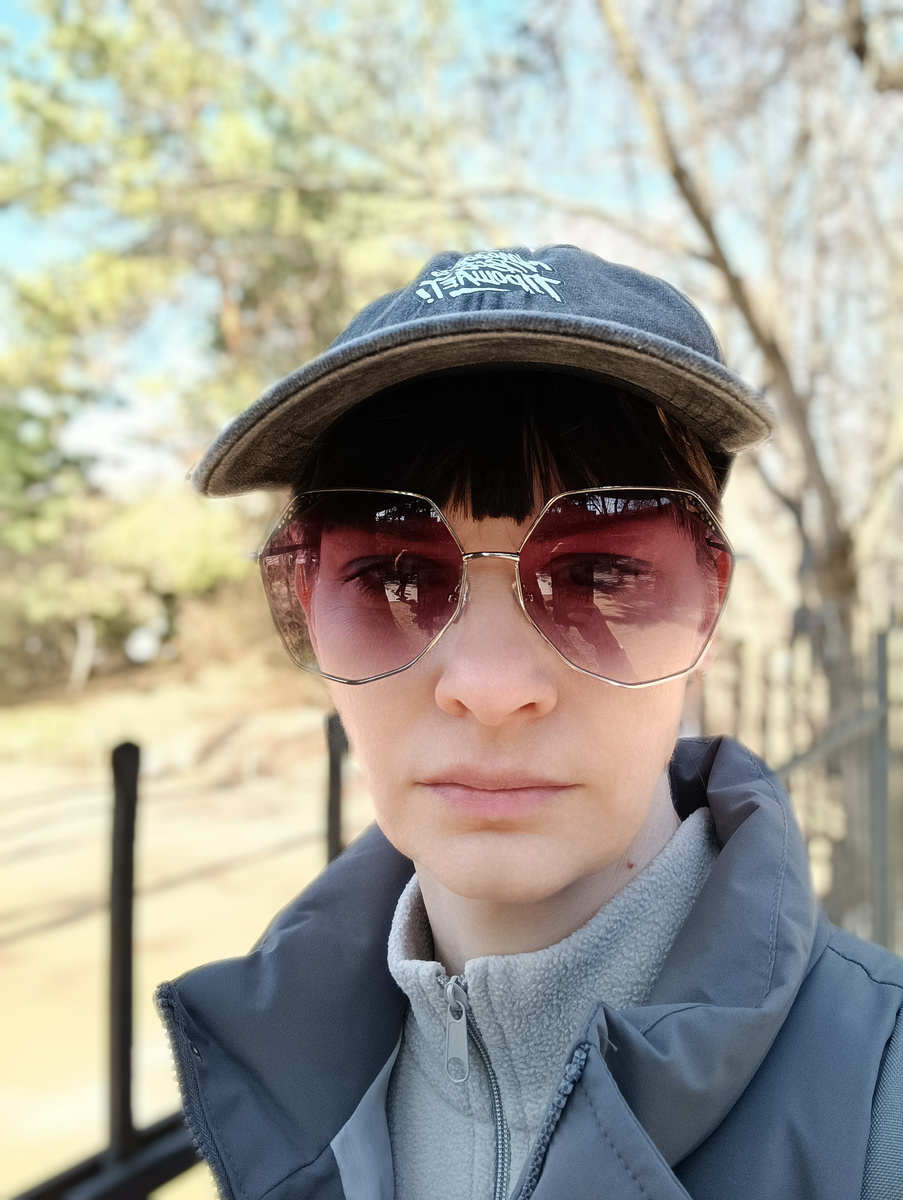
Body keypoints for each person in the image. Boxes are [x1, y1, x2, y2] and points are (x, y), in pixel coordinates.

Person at [156, 246, 903, 1200]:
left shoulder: (878, 1109)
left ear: (708, 608)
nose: (490, 686)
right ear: (307, 602)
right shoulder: (281, 1091)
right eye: (395, 577)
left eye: (598, 574)